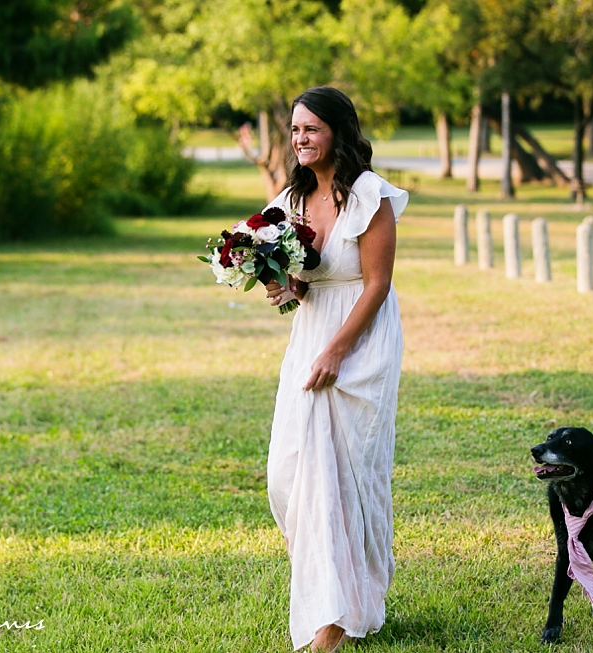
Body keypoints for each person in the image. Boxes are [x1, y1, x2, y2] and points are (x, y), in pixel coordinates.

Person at [262, 86, 408, 652]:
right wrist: (284, 286)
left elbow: (377, 285)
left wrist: (338, 351)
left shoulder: (371, 196)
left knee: (341, 476)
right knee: (289, 471)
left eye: (311, 129)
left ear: (337, 133)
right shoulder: (290, 200)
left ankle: (333, 620)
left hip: (359, 339)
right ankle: (334, 591)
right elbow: (301, 282)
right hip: (312, 332)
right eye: (295, 129)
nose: (300, 139)